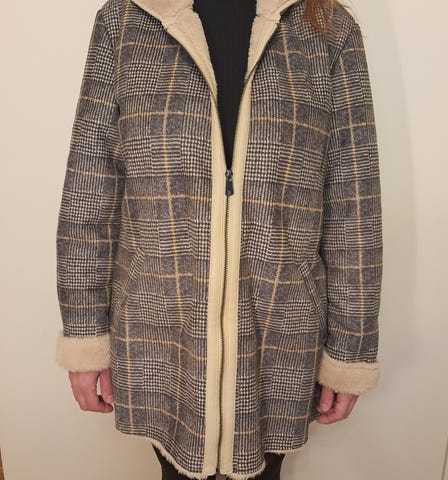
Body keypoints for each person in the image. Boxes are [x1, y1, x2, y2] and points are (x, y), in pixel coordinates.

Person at [54, 0, 383, 479]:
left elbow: (355, 204)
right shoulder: (125, 22)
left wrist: (351, 351)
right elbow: (89, 190)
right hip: (160, 336)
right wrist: (85, 333)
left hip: (279, 340)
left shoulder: (328, 30)